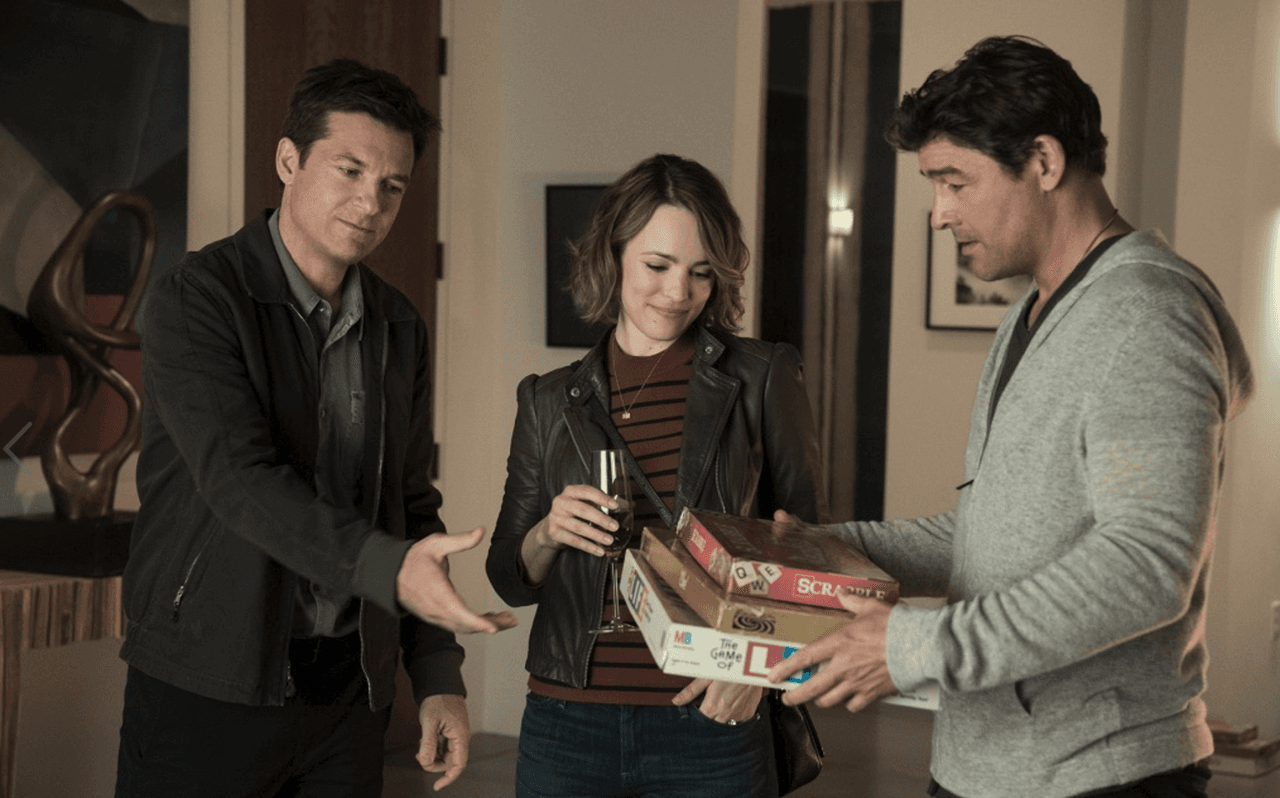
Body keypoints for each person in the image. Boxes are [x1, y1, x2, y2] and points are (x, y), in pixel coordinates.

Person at [767, 36, 1255, 798]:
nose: (939, 215)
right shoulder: (1031, 315)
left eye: (954, 182)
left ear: (1044, 162)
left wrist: (914, 645)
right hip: (989, 763)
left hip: (1099, 774)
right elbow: (994, 533)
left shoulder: (1145, 315)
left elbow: (1147, 564)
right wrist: (833, 549)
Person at [115, 58, 516, 797]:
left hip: (347, 697)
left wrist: (436, 674)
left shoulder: (398, 324)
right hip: (207, 682)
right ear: (288, 160)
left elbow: (409, 507)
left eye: (392, 185)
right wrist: (389, 568)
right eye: (350, 170)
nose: (371, 202)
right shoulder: (197, 300)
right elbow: (239, 480)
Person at [486, 153, 827, 798]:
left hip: (712, 719)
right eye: (658, 266)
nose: (678, 293)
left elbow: (810, 555)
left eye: (701, 273)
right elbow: (507, 575)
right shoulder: (546, 400)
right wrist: (547, 534)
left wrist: (756, 672)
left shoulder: (762, 376)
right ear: (612, 256)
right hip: (566, 722)